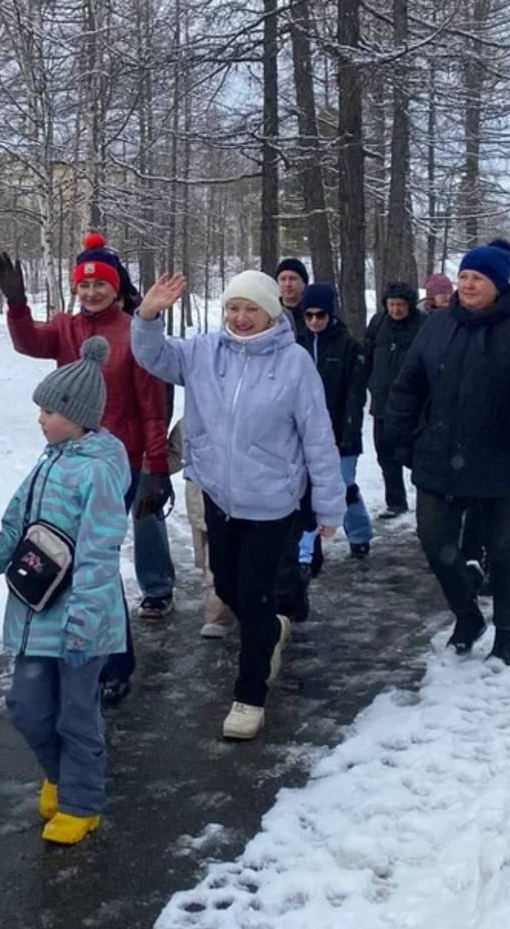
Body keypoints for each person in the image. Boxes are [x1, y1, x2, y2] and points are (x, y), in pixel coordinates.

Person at [131, 269, 345, 740]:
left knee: (253, 593)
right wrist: (147, 314)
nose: (241, 318)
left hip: (272, 502)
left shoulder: (294, 363)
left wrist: (329, 507)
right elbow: (152, 356)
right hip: (219, 495)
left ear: (271, 313)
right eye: (233, 307)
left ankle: (250, 696)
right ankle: (268, 629)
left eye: (252, 309)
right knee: (226, 585)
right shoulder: (204, 352)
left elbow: (317, 436)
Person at [0, 234, 172, 709]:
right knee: (69, 558)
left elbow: (152, 406)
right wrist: (16, 303)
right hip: (69, 457)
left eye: (100, 284)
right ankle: (75, 650)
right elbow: (29, 342)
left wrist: (155, 468)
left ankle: (115, 663)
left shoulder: (133, 331)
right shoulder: (66, 328)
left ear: (116, 287)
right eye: (84, 285)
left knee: (96, 560)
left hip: (116, 463)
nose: (91, 292)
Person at [0, 337, 127, 845]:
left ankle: (82, 804)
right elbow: (17, 528)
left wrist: (85, 619)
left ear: (77, 417)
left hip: (82, 622)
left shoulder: (98, 471)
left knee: (77, 715)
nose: (39, 419)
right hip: (35, 614)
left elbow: (99, 553)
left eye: (49, 411)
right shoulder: (47, 462)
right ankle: (59, 775)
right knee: (27, 707)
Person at [386, 240, 510, 664]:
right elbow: (409, 385)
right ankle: (467, 615)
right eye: (463, 276)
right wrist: (403, 437)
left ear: (498, 285)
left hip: (504, 463)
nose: (467, 284)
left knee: (506, 551)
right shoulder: (437, 325)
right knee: (434, 540)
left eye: (478, 278)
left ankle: (508, 633)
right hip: (440, 456)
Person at [298, 284, 371, 559]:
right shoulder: (298, 344)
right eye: (309, 315)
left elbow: (355, 395)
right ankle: (307, 548)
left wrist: (349, 432)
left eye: (320, 315)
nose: (314, 321)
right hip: (306, 431)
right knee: (306, 490)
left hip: (340, 428)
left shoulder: (348, 346)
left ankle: (359, 533)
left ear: (330, 314)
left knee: (343, 485)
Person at [170, 418, 236, 639]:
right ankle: (224, 610)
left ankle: (220, 615)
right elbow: (175, 452)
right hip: (200, 500)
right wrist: (154, 466)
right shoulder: (192, 418)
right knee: (209, 559)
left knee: (217, 560)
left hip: (229, 499)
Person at [362, 282, 423, 518]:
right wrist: (370, 382)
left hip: (413, 405)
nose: (396, 310)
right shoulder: (378, 323)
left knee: (417, 456)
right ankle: (395, 502)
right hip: (382, 403)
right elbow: (367, 355)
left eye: (401, 305)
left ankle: (427, 505)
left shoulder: (423, 325)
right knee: (385, 455)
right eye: (392, 305)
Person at [276, 257, 310, 341]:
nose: (287, 284)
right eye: (283, 279)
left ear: (304, 283)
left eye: (293, 279)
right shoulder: (271, 313)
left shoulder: (315, 315)